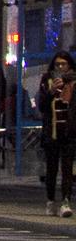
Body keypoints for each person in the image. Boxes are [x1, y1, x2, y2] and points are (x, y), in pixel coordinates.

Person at [37, 51, 76, 215]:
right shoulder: (47, 80)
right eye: (58, 64)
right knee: (51, 168)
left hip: (69, 131)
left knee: (67, 168)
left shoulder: (74, 82)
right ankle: (51, 200)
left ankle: (66, 201)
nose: (60, 67)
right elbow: (42, 105)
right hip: (51, 131)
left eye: (64, 64)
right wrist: (51, 92)